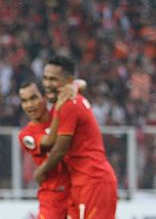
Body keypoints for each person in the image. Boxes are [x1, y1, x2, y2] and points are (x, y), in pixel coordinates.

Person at [34, 56, 118, 219]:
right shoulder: (61, 103)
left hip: (93, 180)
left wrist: (41, 171)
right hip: (78, 182)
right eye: (45, 78)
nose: (47, 84)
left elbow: (60, 149)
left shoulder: (69, 105)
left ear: (68, 81)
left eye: (53, 79)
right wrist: (78, 84)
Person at [18, 81, 77, 219]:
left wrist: (73, 87)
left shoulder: (61, 112)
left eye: (33, 98)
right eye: (24, 101)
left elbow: (80, 83)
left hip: (77, 191)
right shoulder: (26, 135)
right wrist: (59, 111)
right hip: (53, 198)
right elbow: (49, 141)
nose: (30, 105)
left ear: (44, 97)